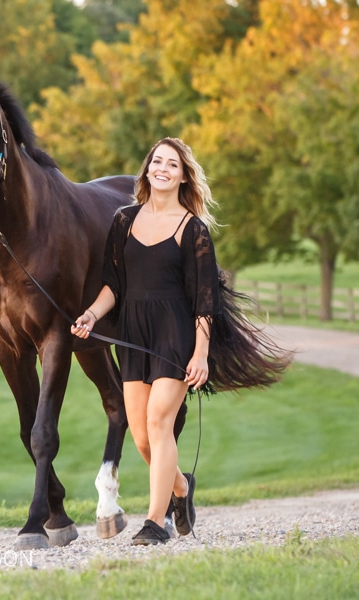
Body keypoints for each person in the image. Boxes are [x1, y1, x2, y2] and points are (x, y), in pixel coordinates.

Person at [71, 137, 292, 545]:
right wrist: (91, 314)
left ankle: (155, 522)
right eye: (157, 161)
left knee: (159, 423)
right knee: (141, 436)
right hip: (133, 335)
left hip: (175, 334)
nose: (163, 169)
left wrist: (202, 353)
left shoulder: (193, 229)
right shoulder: (123, 220)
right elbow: (112, 286)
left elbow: (205, 300)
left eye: (173, 164)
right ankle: (181, 490)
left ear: (183, 176)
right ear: (147, 168)